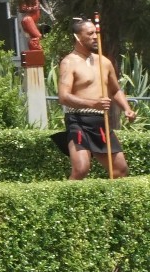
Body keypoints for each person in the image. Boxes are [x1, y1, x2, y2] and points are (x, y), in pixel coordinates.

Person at [55, 17, 135, 178]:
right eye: (90, 33)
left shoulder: (104, 62)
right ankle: (65, 201)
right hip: (78, 120)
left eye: (96, 33)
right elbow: (63, 97)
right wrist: (93, 103)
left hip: (100, 121)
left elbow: (115, 90)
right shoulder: (69, 62)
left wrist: (127, 109)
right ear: (78, 37)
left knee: (120, 170)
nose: (95, 37)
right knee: (81, 169)